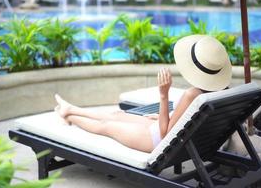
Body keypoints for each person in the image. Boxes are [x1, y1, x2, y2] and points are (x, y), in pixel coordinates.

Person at [55, 35, 232, 153]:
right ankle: (70, 108)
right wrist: (163, 116)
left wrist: (163, 94)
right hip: (175, 135)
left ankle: (69, 116)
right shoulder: (222, 91)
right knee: (117, 114)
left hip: (156, 141)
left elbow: (165, 135)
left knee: (106, 126)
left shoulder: (191, 94)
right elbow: (185, 121)